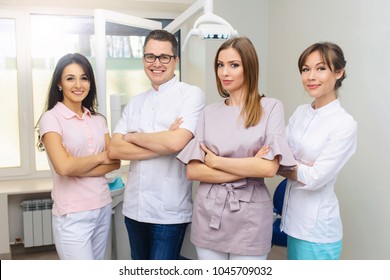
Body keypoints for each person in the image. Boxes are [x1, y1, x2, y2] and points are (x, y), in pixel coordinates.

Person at [176, 37, 296, 260]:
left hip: (251, 216)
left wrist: (217, 162)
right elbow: (193, 171)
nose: (224, 73)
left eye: (233, 65)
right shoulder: (208, 113)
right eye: (220, 65)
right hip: (210, 212)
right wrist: (251, 165)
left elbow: (269, 169)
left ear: (249, 67)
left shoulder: (270, 107)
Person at [108, 29, 205, 260]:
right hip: (134, 208)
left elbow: (176, 142)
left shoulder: (191, 95)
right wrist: (162, 141)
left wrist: (132, 137)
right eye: (150, 56)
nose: (157, 63)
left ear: (175, 61)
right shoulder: (136, 102)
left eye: (164, 57)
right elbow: (114, 149)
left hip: (168, 212)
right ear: (144, 59)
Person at [36, 53, 121, 259]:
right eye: (70, 78)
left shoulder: (98, 120)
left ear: (90, 83)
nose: (78, 85)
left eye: (84, 78)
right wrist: (100, 158)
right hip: (72, 214)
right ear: (59, 83)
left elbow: (115, 161)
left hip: (102, 206)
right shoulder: (51, 118)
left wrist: (77, 165)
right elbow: (63, 167)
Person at [279, 42, 358, 260]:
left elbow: (315, 178)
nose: (311, 76)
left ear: (339, 72)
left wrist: (288, 165)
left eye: (321, 68)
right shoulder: (300, 112)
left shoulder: (344, 124)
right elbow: (277, 155)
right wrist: (297, 167)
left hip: (318, 232)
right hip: (292, 222)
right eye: (306, 69)